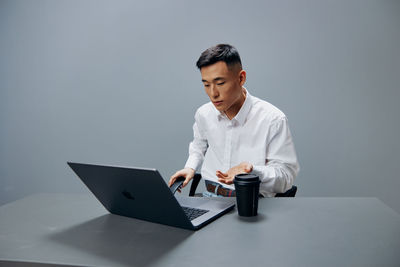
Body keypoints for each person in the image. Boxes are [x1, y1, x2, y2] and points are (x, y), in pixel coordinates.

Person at [168, 44, 299, 197]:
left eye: (220, 83)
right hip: (209, 198)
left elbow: (285, 178)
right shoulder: (203, 114)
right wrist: (190, 167)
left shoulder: (273, 119)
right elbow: (199, 146)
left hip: (251, 203)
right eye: (206, 84)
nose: (213, 93)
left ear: (241, 78)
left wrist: (252, 170)